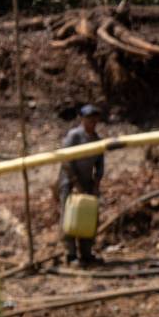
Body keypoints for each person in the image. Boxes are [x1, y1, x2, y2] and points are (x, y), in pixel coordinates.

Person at [57, 104, 106, 265]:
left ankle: (86, 253)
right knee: (69, 216)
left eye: (95, 118)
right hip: (69, 182)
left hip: (87, 181)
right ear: (82, 119)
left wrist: (96, 183)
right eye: (89, 118)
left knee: (88, 216)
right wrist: (75, 183)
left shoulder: (97, 139)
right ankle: (71, 254)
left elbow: (100, 163)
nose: (92, 121)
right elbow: (65, 161)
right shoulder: (74, 136)